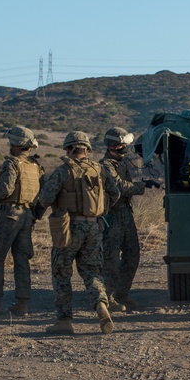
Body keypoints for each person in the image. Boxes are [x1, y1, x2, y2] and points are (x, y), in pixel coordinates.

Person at [32, 131, 121, 335]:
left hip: (68, 227)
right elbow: (115, 193)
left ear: (68, 149)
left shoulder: (63, 171)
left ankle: (64, 321)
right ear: (87, 150)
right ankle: (101, 304)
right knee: (92, 271)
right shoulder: (99, 170)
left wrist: (35, 216)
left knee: (61, 272)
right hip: (94, 227)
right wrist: (100, 210)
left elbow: (45, 198)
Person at [0, 125, 44, 317]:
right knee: (22, 259)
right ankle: (22, 304)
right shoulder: (35, 166)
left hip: (9, 216)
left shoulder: (12, 164)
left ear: (15, 144)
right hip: (27, 216)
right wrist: (35, 213)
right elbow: (44, 193)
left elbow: (5, 189)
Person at [100, 126, 155, 312]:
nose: (125, 149)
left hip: (125, 213)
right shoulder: (105, 166)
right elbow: (119, 187)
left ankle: (122, 294)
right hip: (112, 216)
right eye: (121, 146)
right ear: (112, 147)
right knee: (111, 260)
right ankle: (108, 299)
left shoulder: (121, 164)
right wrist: (140, 187)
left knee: (132, 255)